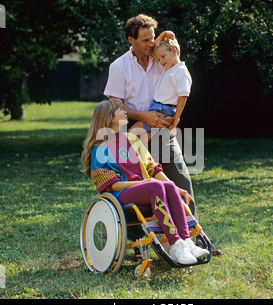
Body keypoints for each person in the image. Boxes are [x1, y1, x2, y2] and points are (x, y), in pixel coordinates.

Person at [81, 98, 210, 265]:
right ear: (109, 117)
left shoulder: (132, 140)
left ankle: (185, 242)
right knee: (155, 185)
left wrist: (176, 188)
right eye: (120, 110)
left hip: (145, 188)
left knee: (168, 184)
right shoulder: (100, 149)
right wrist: (140, 184)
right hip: (121, 193)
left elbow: (153, 169)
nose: (125, 111)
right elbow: (111, 185)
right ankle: (175, 243)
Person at [103, 14, 197, 229]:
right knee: (140, 188)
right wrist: (144, 116)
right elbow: (115, 105)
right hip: (134, 137)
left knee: (181, 181)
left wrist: (165, 35)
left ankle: (194, 237)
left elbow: (172, 50)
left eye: (153, 38)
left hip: (164, 133)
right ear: (131, 40)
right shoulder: (119, 67)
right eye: (145, 40)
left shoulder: (159, 57)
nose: (151, 44)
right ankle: (140, 243)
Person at [130, 36, 192, 141]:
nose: (160, 61)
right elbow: (152, 51)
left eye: (163, 56)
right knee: (140, 141)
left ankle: (118, 155)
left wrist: (176, 118)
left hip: (163, 110)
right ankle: (136, 156)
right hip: (158, 108)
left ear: (174, 51)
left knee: (132, 134)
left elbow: (183, 95)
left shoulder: (181, 71)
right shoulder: (169, 68)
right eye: (159, 59)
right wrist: (163, 35)